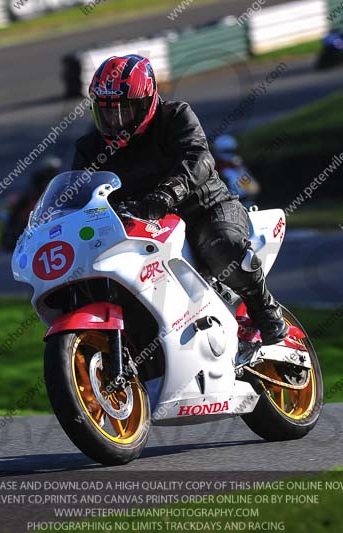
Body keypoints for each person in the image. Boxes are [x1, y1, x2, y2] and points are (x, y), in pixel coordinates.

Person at [71, 55, 288, 345]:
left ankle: (265, 310)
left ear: (147, 102)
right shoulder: (90, 148)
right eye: (107, 112)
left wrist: (168, 192)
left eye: (125, 110)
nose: (116, 121)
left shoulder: (175, 116)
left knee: (222, 245)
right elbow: (77, 194)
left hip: (203, 209)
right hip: (137, 227)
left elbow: (198, 157)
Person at [1, 156, 62, 251]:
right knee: (20, 205)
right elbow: (32, 189)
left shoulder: (57, 178)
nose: (51, 172)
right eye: (50, 170)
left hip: (50, 200)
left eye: (53, 170)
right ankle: (10, 231)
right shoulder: (38, 177)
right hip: (36, 198)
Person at [212, 135, 261, 209]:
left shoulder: (237, 167)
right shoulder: (215, 169)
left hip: (244, 202)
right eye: (227, 151)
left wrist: (239, 169)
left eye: (232, 151)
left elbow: (254, 189)